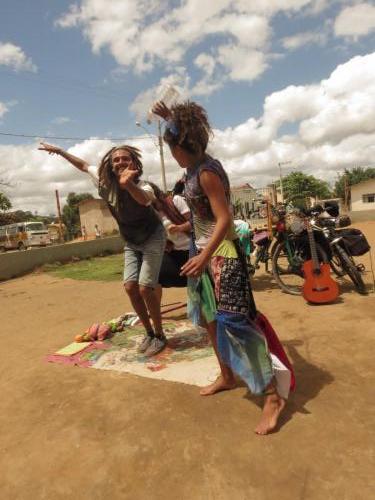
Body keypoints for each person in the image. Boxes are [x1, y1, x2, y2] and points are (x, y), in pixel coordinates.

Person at [153, 101, 295, 435]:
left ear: (182, 146)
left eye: (171, 145)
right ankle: (228, 376)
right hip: (199, 250)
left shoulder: (206, 171)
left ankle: (273, 396)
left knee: (235, 323)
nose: (170, 152)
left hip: (223, 253)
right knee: (210, 319)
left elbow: (224, 219)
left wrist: (205, 256)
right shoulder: (192, 169)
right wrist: (169, 118)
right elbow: (201, 219)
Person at [38, 142, 167, 356]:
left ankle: (160, 335)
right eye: (116, 159)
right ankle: (149, 333)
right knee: (129, 287)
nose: (120, 162)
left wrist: (128, 185)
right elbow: (83, 165)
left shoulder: (144, 186)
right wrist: (60, 152)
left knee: (146, 288)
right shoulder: (104, 183)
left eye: (125, 158)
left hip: (153, 236)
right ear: (110, 165)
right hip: (132, 241)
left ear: (134, 163)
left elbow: (144, 200)